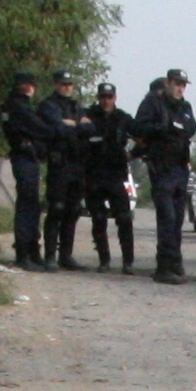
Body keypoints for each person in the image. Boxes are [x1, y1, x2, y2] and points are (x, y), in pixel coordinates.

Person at [131, 69, 196, 282]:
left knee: (177, 219)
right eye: (177, 84)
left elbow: (191, 128)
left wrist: (175, 127)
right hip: (161, 167)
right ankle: (164, 267)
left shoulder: (185, 106)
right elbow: (138, 127)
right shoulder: (153, 103)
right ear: (168, 82)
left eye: (183, 85)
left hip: (180, 167)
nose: (180, 88)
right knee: (167, 218)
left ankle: (175, 262)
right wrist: (163, 127)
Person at [74, 83, 135, 270]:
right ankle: (104, 260)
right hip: (94, 175)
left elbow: (143, 136)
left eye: (109, 97)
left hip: (116, 175)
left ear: (115, 98)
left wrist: (134, 154)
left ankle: (128, 262)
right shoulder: (88, 116)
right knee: (98, 219)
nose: (106, 101)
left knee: (124, 218)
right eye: (103, 97)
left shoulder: (123, 118)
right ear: (98, 98)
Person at [0, 70, 51, 269]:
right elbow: (43, 129)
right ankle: (24, 253)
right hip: (24, 158)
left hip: (27, 157)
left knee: (31, 204)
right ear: (30, 87)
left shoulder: (13, 105)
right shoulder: (19, 107)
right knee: (27, 204)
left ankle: (31, 250)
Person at [37, 68, 87, 268]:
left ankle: (66, 255)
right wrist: (75, 125)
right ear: (56, 85)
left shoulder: (76, 106)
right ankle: (50, 256)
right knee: (56, 208)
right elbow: (56, 128)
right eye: (63, 84)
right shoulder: (48, 105)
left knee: (73, 210)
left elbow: (89, 128)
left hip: (77, 163)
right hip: (59, 163)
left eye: (69, 84)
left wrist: (71, 124)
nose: (67, 87)